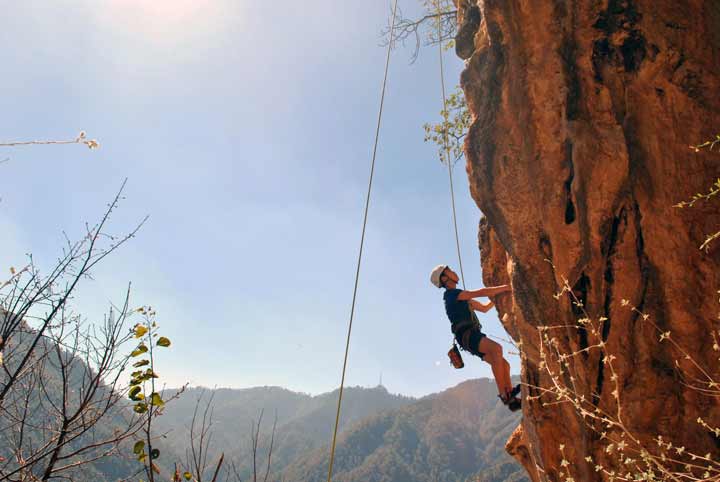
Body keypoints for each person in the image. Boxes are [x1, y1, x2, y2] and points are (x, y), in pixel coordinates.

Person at [430, 264, 521, 411]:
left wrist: (497, 297)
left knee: (505, 365)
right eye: (449, 271)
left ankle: (512, 399)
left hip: (469, 338)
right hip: (468, 335)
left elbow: (484, 308)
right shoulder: (452, 295)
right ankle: (505, 395)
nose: (454, 272)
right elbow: (481, 292)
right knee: (497, 349)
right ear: (445, 279)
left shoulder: (460, 298)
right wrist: (506, 287)